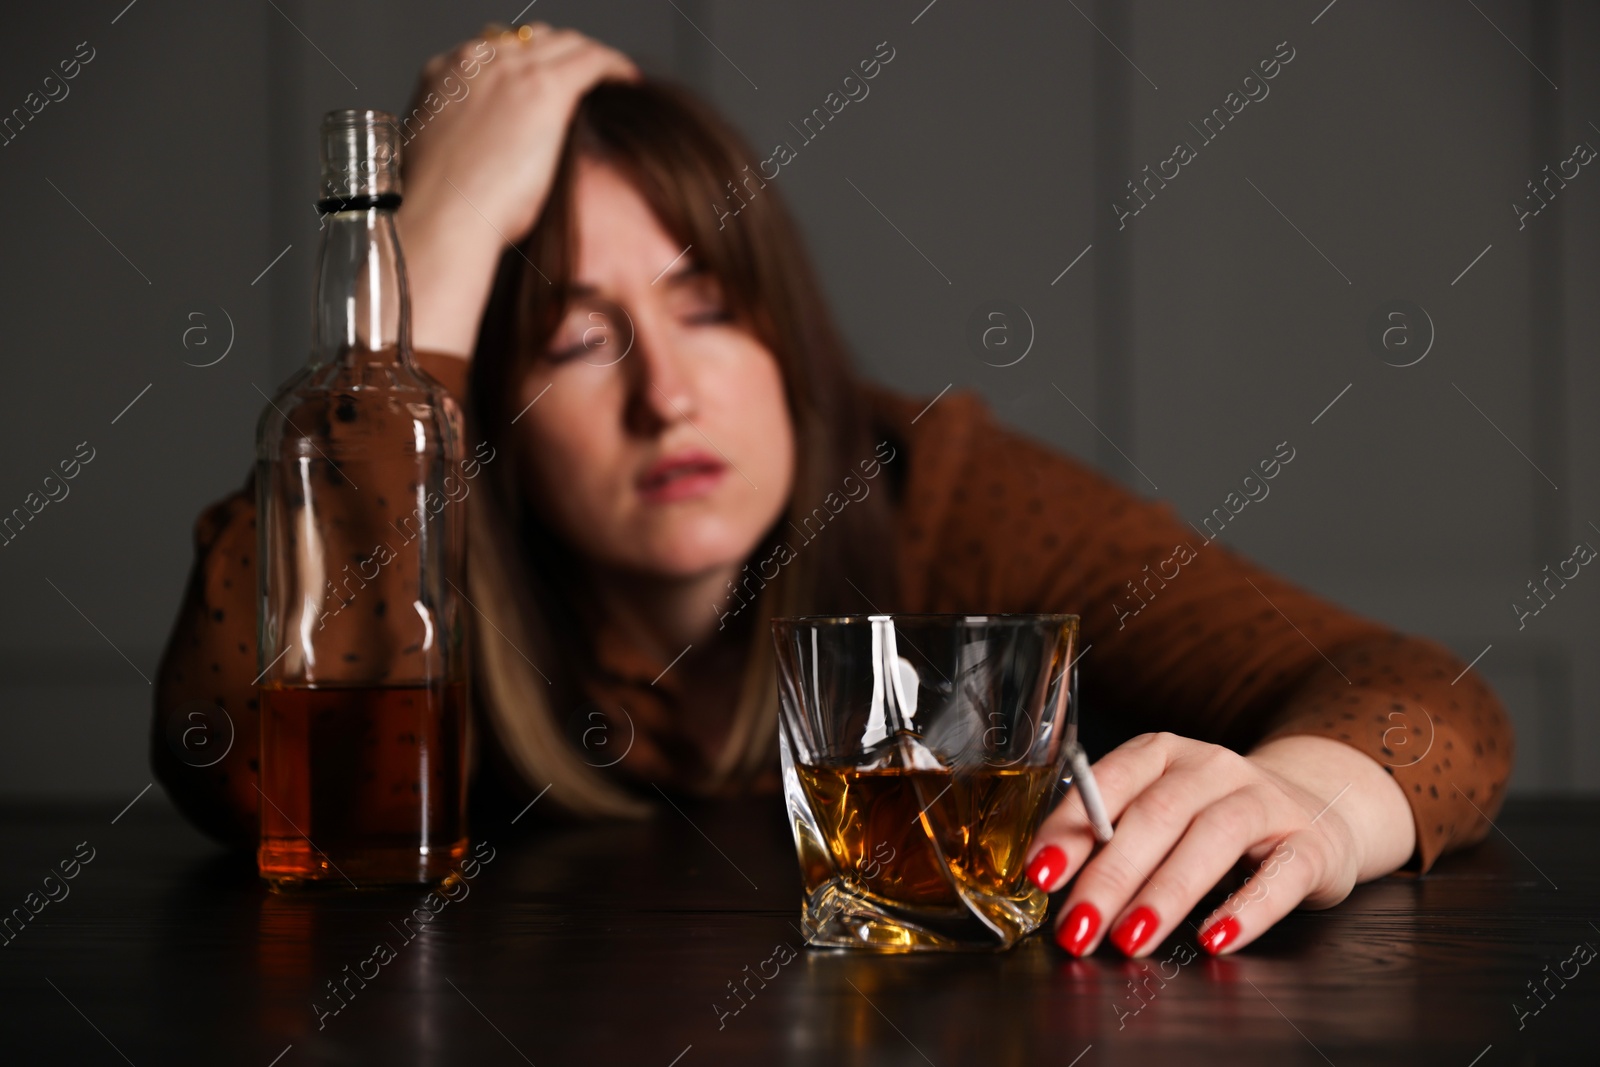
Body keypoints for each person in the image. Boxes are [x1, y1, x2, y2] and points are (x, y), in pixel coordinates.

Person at [151, 23, 1512, 960]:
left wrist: (1318, 806)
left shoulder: (926, 485)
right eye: (575, 338)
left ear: (785, 331)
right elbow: (230, 758)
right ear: (476, 400)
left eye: (714, 309)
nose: (668, 395)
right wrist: (428, 235)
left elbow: (1414, 690)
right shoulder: (418, 554)